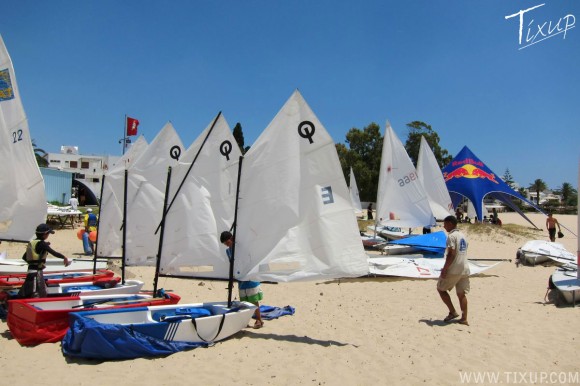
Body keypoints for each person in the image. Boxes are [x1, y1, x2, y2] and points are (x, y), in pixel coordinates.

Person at [220, 231, 264, 329]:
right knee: (244, 301)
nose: (227, 245)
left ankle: (259, 320)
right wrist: (231, 279)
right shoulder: (228, 251)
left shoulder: (241, 247)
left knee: (253, 300)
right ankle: (245, 321)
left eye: (228, 242)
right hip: (240, 278)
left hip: (250, 277)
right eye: (225, 244)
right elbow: (232, 265)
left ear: (231, 239)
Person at [18, 223, 70, 298]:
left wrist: (34, 262)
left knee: (30, 290)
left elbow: (24, 257)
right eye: (48, 234)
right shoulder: (42, 244)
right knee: (38, 292)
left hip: (30, 270)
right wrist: (64, 257)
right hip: (36, 272)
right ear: (45, 234)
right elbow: (54, 253)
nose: (48, 235)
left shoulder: (33, 242)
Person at [437, 215, 470, 326]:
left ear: (450, 223)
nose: (444, 226)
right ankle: (464, 318)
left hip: (454, 269)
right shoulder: (463, 236)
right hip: (465, 268)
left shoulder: (451, 236)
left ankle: (452, 311)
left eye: (445, 224)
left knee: (441, 289)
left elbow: (451, 254)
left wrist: (445, 269)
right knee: (461, 294)